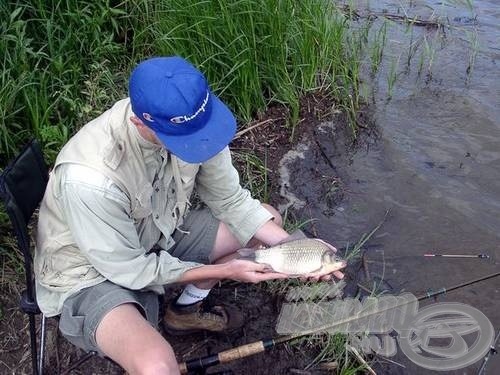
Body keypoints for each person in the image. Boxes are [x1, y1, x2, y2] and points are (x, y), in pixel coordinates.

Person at [34, 56, 345, 374]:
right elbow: (132, 271)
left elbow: (233, 202)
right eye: (187, 141)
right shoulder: (91, 180)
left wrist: (299, 249)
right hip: (91, 273)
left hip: (154, 235)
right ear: (140, 122)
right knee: (157, 365)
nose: (202, 144)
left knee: (265, 219)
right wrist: (228, 271)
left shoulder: (195, 123)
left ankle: (183, 312)